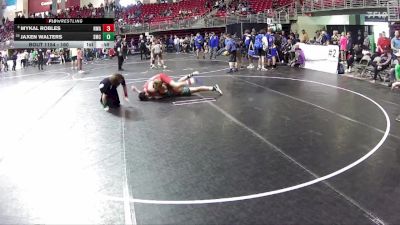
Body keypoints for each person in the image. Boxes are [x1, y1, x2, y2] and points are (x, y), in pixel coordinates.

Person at [135, 71, 223, 101]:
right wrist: (136, 90)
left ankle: (213, 87)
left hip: (176, 91)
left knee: (194, 88)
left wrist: (191, 75)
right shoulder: (150, 93)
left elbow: (147, 93)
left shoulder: (153, 92)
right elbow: (145, 93)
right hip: (177, 92)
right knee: (196, 89)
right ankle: (213, 88)